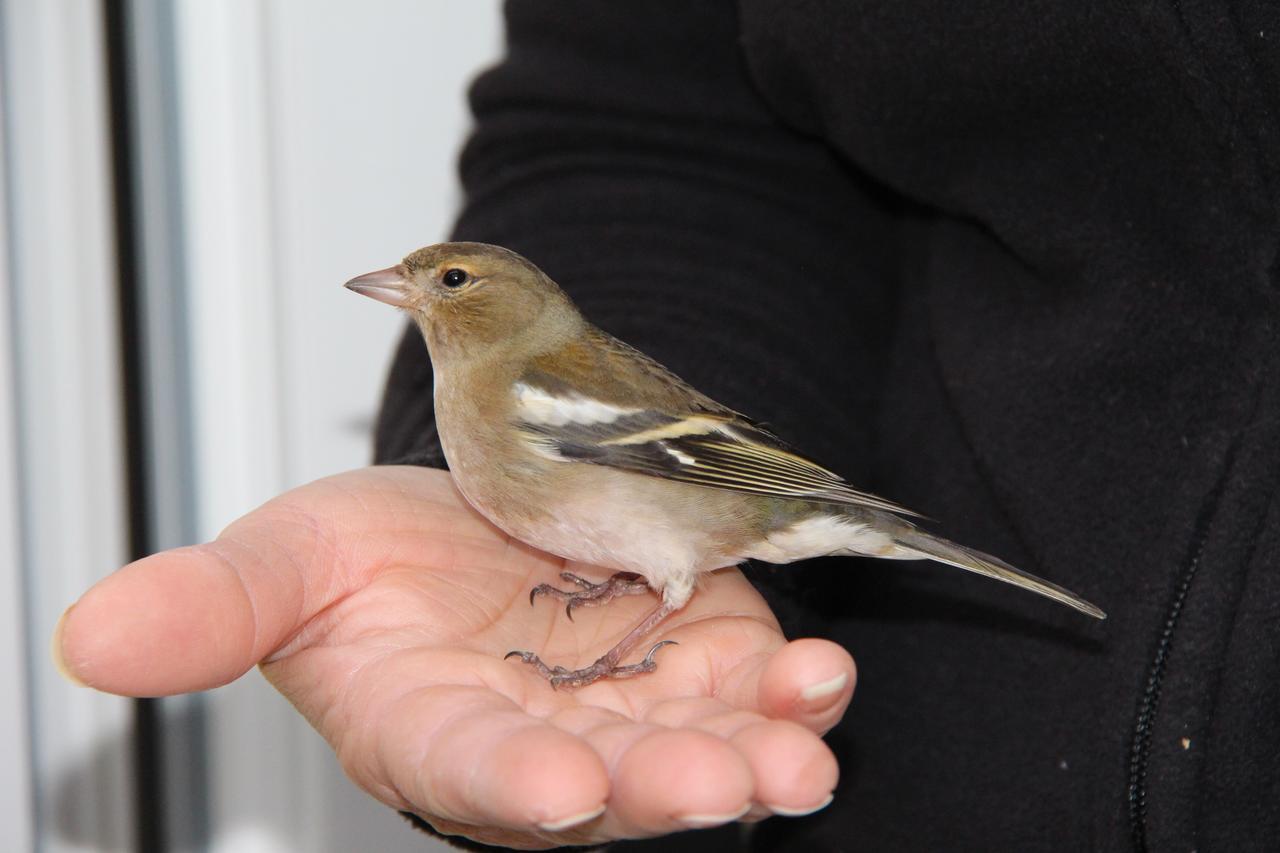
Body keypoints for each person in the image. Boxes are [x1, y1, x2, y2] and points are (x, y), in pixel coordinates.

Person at [57, 2, 1279, 850]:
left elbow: (704, 456)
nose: (408, 292)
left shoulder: (526, 388)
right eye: (415, 280)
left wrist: (633, 623)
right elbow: (656, 135)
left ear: (501, 308)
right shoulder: (502, 392)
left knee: (661, 584)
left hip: (761, 520)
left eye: (444, 283)